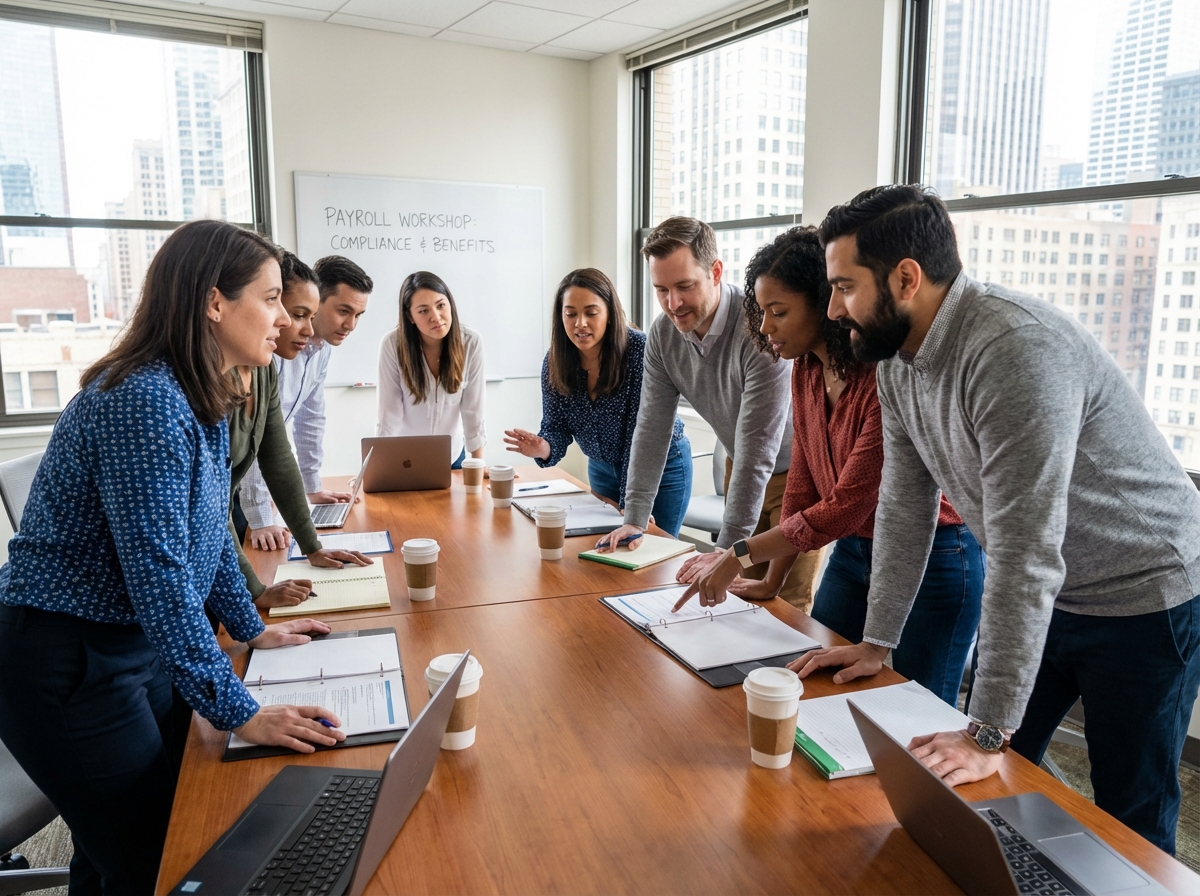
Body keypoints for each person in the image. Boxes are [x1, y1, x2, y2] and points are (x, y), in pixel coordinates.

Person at [794, 184, 1200, 854]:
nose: (834, 311)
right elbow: (905, 502)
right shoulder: (897, 361)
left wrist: (987, 729)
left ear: (906, 277)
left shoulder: (1013, 351)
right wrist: (878, 640)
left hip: (1143, 591)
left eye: (844, 287)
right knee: (993, 778)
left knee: (1130, 808)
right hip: (1055, 590)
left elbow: (1025, 552)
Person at [0, 220, 350, 894]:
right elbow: (160, 577)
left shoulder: (205, 390)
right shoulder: (144, 401)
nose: (283, 319)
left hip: (131, 644)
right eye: (271, 298)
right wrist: (241, 709)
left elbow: (211, 533)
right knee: (157, 857)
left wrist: (252, 630)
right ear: (214, 302)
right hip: (67, 657)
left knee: (126, 840)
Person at [674, 226, 984, 705]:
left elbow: (845, 506)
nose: (765, 329)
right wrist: (770, 580)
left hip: (936, 556)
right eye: (761, 313)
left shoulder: (881, 376)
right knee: (818, 680)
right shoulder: (805, 370)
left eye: (779, 313)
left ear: (824, 305)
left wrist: (737, 554)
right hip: (856, 552)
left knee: (924, 707)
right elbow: (803, 480)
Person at [596, 216, 821, 611]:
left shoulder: (759, 328)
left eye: (685, 286)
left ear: (715, 271)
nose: (673, 303)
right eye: (661, 290)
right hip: (742, 468)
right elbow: (651, 428)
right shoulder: (664, 335)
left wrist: (724, 550)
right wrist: (635, 517)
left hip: (798, 479)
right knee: (738, 601)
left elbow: (758, 449)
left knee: (786, 608)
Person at [225, 260, 371, 609]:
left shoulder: (263, 368)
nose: (294, 325)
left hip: (222, 519)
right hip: (108, 613)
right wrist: (253, 598)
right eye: (295, 312)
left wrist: (312, 544)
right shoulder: (252, 364)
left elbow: (278, 451)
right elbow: (211, 514)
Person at [503, 269, 692, 536]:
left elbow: (638, 436)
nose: (580, 323)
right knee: (604, 555)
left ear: (609, 314)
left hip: (660, 468)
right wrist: (543, 447)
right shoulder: (555, 360)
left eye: (591, 313)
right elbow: (555, 426)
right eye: (570, 314)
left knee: (654, 553)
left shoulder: (639, 351)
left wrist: (632, 507)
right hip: (603, 468)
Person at [376, 271, 485, 467]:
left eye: (441, 305)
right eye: (424, 311)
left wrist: (479, 464)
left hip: (451, 456)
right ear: (410, 316)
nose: (436, 317)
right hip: (404, 457)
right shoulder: (393, 345)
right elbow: (388, 415)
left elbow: (473, 411)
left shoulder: (470, 342)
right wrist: (378, 467)